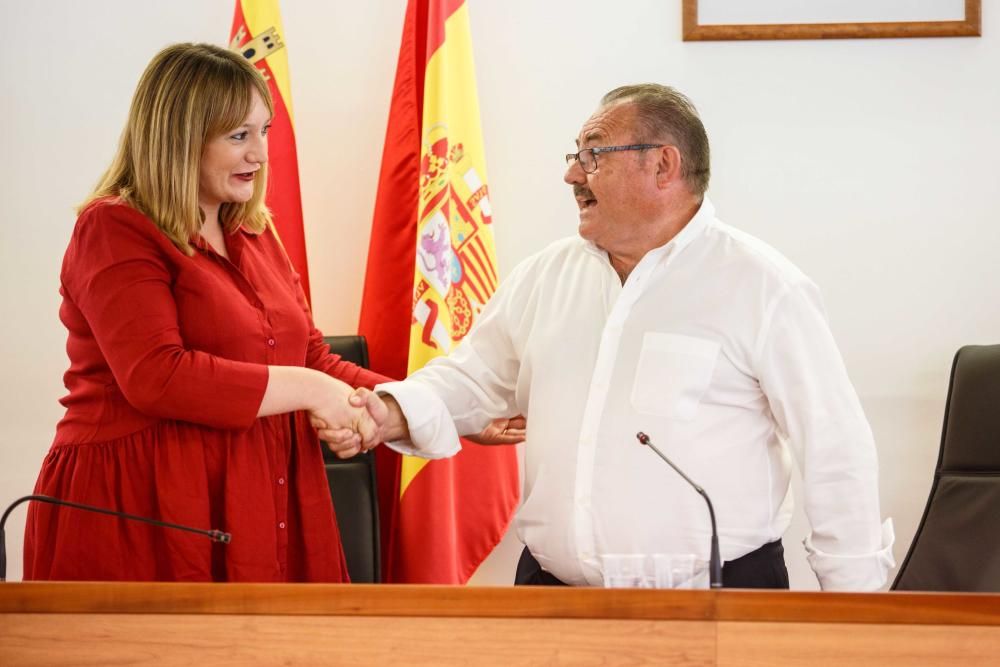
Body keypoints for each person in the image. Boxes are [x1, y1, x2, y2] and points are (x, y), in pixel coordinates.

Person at [337, 84, 895, 590]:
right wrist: (392, 409)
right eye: (575, 157)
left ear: (663, 165)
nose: (572, 175)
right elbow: (471, 378)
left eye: (593, 154)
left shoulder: (764, 287)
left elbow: (834, 448)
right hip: (551, 595)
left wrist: (855, 608)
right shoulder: (546, 275)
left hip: (716, 601)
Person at [22, 43, 387, 582]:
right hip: (145, 506)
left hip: (263, 495)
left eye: (264, 131)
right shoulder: (114, 227)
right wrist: (312, 391)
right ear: (178, 139)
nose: (259, 155)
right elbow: (157, 375)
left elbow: (308, 354)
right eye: (238, 135)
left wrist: (432, 404)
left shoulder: (256, 231)